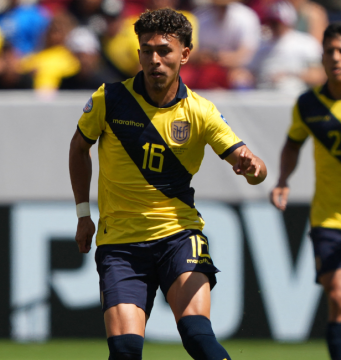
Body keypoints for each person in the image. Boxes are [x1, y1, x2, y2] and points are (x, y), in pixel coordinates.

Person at [69, 8, 267, 360]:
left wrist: (252, 168)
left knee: (197, 336)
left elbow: (251, 164)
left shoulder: (200, 111)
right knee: (126, 350)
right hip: (121, 243)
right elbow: (78, 147)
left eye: (164, 50)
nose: (155, 59)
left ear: (185, 54)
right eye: (147, 50)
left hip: (179, 236)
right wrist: (83, 213)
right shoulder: (109, 100)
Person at [270, 23, 341, 360]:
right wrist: (283, 179)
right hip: (328, 216)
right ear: (322, 57)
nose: (337, 58)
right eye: (331, 52)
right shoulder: (309, 104)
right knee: (338, 297)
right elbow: (293, 144)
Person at [249, 1, 325, 93]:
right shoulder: (260, 44)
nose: (273, 27)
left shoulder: (305, 43)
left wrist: (288, 75)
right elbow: (249, 73)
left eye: (277, 23)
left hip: (293, 95)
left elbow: (320, 75)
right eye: (271, 22)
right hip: (263, 96)